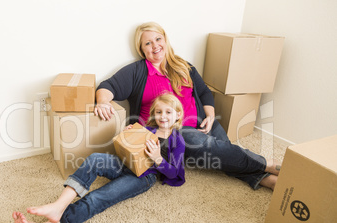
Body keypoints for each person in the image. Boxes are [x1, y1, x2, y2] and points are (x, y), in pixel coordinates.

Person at [94, 22, 281, 191]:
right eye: (148, 43)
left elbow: (204, 92)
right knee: (211, 146)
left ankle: (263, 179)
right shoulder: (136, 71)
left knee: (223, 152)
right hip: (171, 132)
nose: (155, 45)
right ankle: (267, 164)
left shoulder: (183, 66)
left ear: (165, 40)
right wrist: (102, 102)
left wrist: (210, 116)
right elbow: (107, 86)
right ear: (142, 50)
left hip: (201, 122)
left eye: (158, 39)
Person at [13, 93, 186, 223]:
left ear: (178, 115)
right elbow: (130, 148)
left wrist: (157, 158)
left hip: (143, 177)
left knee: (99, 197)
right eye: (159, 112)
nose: (163, 116)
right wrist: (129, 133)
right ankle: (59, 205)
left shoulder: (178, 140)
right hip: (125, 164)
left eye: (168, 112)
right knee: (95, 159)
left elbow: (174, 172)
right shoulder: (147, 129)